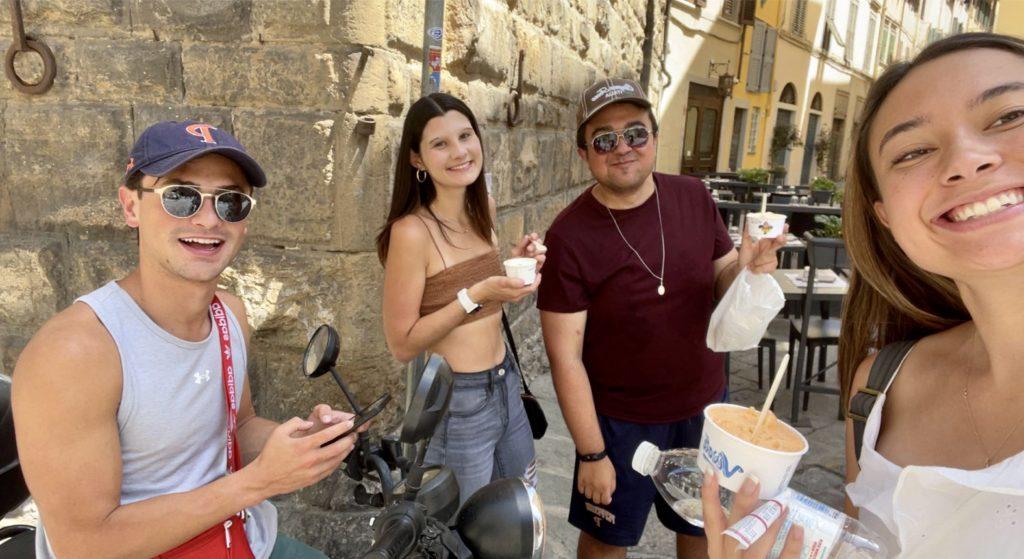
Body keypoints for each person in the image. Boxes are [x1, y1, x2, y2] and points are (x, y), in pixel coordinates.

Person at [12, 121, 361, 559]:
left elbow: (239, 427)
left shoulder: (229, 313)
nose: (209, 219)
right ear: (131, 206)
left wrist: (304, 440)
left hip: (244, 539)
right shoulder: (76, 352)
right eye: (181, 196)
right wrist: (259, 482)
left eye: (231, 201)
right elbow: (84, 545)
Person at [537, 78, 787, 558]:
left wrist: (749, 265)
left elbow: (722, 280)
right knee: (607, 544)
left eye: (636, 133)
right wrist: (592, 453)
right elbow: (563, 355)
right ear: (585, 154)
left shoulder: (693, 196)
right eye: (605, 139)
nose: (623, 148)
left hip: (703, 413)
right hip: (620, 425)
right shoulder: (570, 235)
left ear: (655, 137)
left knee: (702, 531)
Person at [841, 32, 1024, 556]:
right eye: (915, 151)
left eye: (1009, 116)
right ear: (887, 219)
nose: (967, 160)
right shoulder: (878, 388)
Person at [377, 93, 544, 504]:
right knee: (462, 534)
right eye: (440, 144)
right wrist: (476, 294)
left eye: (465, 136)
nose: (459, 152)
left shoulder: (481, 207)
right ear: (417, 159)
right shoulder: (411, 232)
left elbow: (483, 306)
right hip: (460, 404)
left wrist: (511, 270)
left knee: (522, 516)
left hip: (506, 386)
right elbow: (402, 344)